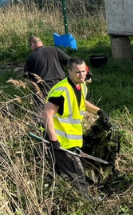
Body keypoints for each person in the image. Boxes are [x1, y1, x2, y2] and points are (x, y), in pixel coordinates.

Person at [44, 57, 107, 194]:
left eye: (84, 71)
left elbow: (81, 102)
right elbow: (47, 114)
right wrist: (54, 141)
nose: (82, 75)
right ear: (69, 72)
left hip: (70, 140)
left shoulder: (81, 85)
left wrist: (99, 112)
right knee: (77, 173)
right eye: (78, 72)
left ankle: (52, 193)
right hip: (60, 142)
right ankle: (85, 200)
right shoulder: (61, 91)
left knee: (55, 170)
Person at [24, 36, 70, 109]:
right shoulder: (55, 49)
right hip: (61, 84)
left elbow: (28, 77)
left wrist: (34, 87)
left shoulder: (31, 57)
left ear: (32, 45)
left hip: (43, 88)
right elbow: (70, 62)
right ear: (41, 42)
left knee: (42, 111)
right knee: (65, 108)